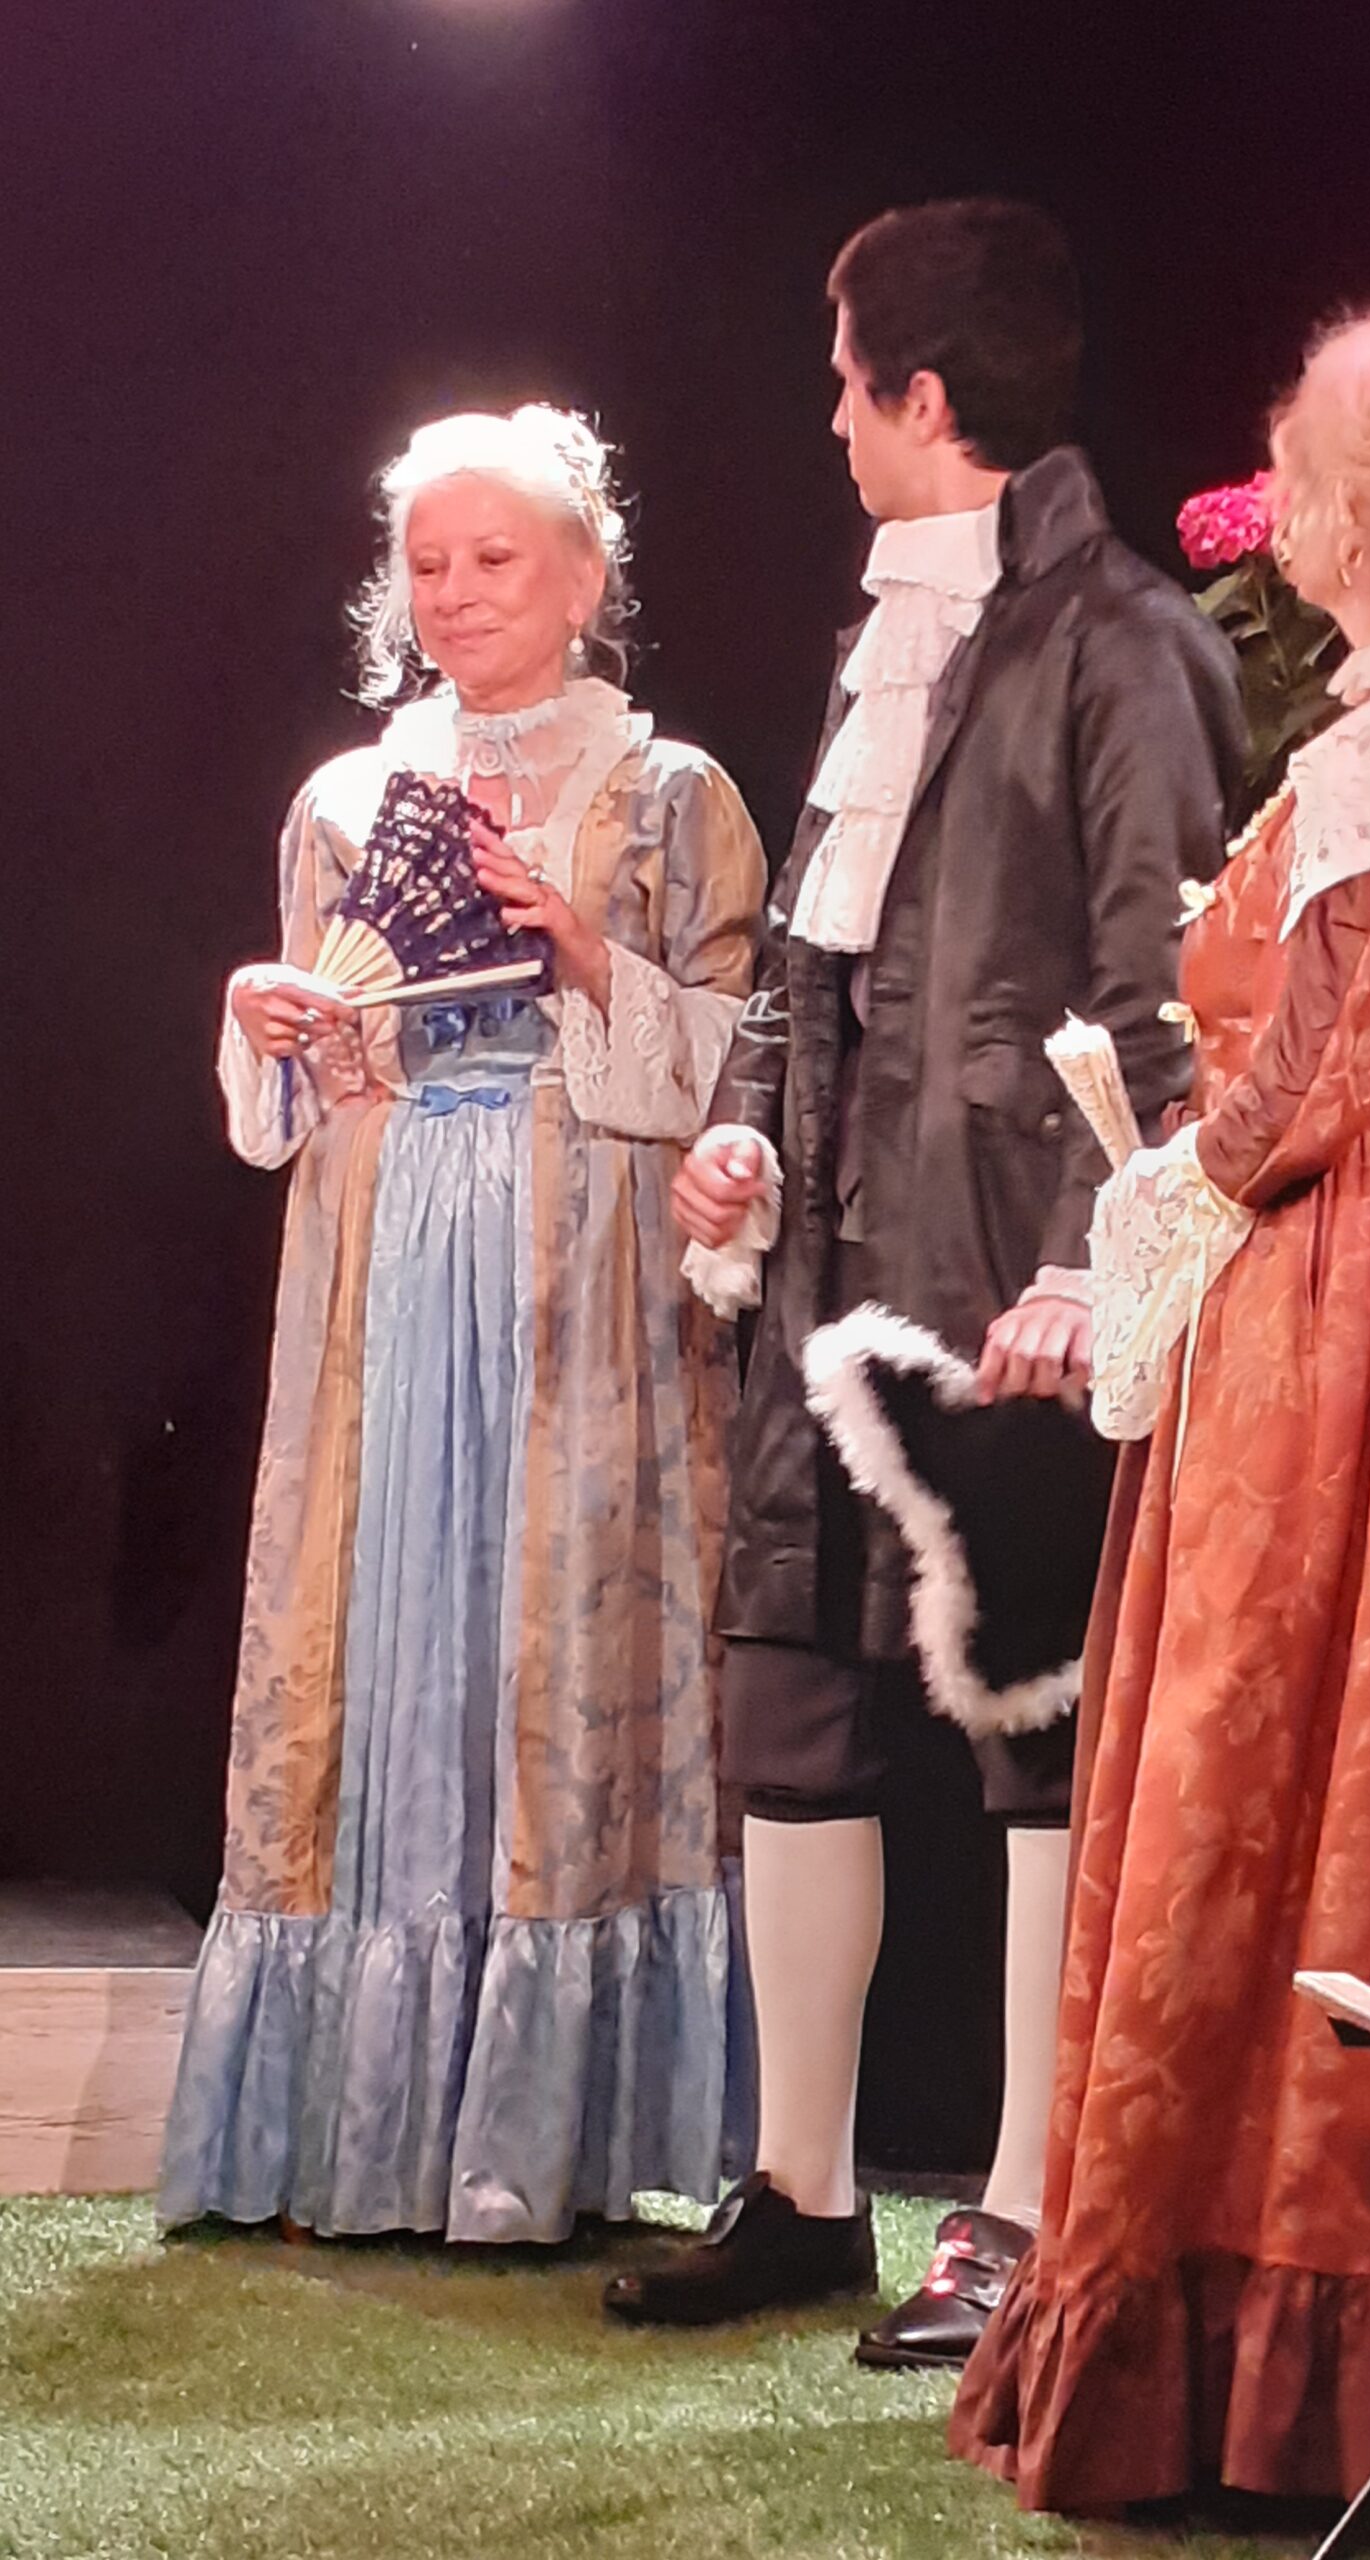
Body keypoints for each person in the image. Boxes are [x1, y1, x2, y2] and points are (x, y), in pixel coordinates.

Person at [951, 309, 1370, 2513]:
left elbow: (1304, 1088)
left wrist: (1135, 1234)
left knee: (1266, 1724)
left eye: (1308, 482)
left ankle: (1236, 2319)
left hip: (1337, 1273)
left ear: (1362, 513)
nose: (1287, 519)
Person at [605, 200, 1244, 2359]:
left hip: (1009, 1294)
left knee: (1032, 1732)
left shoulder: (1126, 644)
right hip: (828, 1283)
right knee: (793, 1701)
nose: (830, 418)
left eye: (846, 378)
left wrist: (1089, 1264)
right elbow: (814, 964)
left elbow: (1172, 999)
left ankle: (1030, 2212)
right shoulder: (887, 641)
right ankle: (803, 2189)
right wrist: (741, 1133)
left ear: (926, 393)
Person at [159, 405, 766, 2243]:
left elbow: (737, 1060)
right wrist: (268, 1017)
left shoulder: (669, 794)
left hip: (579, 1267)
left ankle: (543, 2138)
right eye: (428, 562)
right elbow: (303, 1078)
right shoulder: (348, 800)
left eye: (495, 557)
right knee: (385, 1645)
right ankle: (360, 2119)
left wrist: (580, 953)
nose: (456, 591)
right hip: (387, 1268)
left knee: (547, 1653)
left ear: (584, 578)